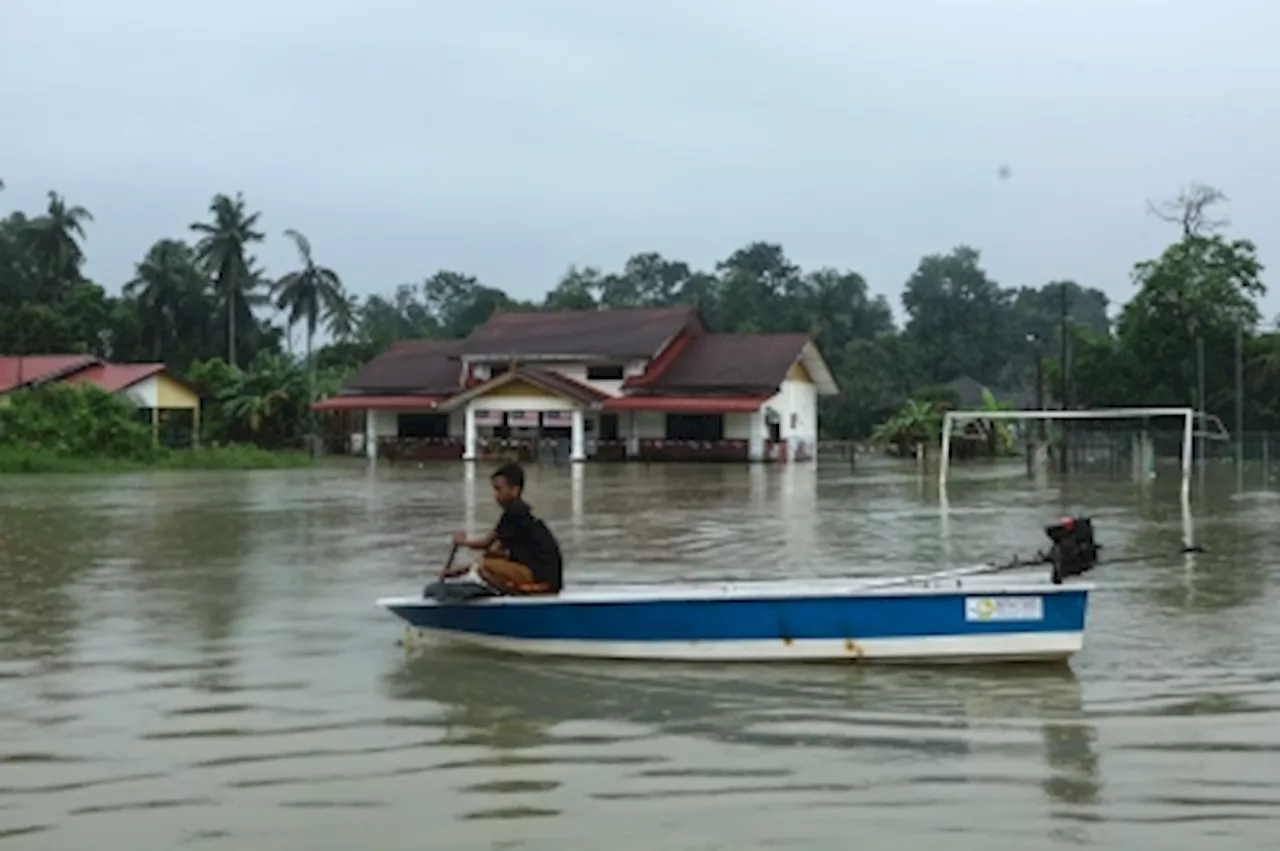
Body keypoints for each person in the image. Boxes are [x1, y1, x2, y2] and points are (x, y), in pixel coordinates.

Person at [444, 462, 563, 596]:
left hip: (543, 581)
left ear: (514, 490)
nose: (495, 495)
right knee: (489, 560)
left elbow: (485, 543)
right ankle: (509, 591)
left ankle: (514, 591)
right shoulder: (517, 516)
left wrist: (463, 542)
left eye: (499, 489)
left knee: (485, 566)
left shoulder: (516, 513)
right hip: (543, 578)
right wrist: (456, 573)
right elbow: (492, 552)